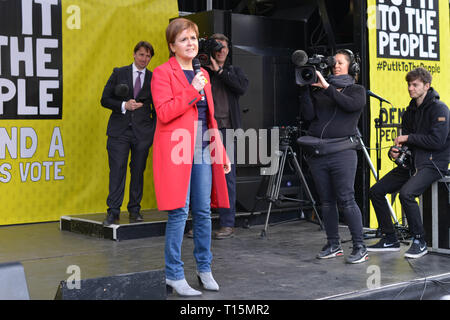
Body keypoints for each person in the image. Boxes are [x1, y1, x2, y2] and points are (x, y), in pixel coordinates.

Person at [151, 18, 231, 296]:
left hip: (202, 149)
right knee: (179, 212)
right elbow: (164, 112)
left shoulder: (204, 74)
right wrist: (191, 89)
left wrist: (219, 149)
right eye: (184, 39)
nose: (191, 44)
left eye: (194, 39)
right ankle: (174, 274)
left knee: (203, 212)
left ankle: (204, 268)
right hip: (176, 149)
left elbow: (209, 116)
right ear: (172, 46)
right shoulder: (162, 73)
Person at [368, 67, 450, 259]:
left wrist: (409, 138)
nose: (410, 88)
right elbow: (408, 144)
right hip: (412, 164)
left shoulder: (440, 109)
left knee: (406, 194)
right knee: (376, 191)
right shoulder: (409, 111)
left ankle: (420, 240)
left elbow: (437, 142)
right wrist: (395, 153)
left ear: (426, 86)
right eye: (409, 84)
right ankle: (390, 239)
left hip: (434, 164)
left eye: (415, 85)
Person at [299, 49, 368, 264]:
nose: (336, 66)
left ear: (351, 67)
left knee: (346, 200)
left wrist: (328, 88)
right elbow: (309, 116)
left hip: (343, 153)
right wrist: (305, 91)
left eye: (341, 63)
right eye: (334, 63)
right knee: (326, 202)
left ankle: (360, 247)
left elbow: (350, 105)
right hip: (320, 153)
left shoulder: (357, 90)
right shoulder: (321, 90)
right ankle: (333, 244)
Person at [188, 33, 248, 239]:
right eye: (217, 47)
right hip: (203, 129)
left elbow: (241, 88)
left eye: (224, 47)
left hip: (227, 129)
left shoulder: (233, 70)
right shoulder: (202, 71)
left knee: (227, 177)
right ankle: (200, 224)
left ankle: (227, 223)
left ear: (229, 50)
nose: (221, 50)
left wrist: (220, 71)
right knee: (199, 178)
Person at [100, 41, 156, 226]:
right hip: (119, 131)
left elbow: (157, 106)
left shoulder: (153, 77)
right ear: (134, 54)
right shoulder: (119, 73)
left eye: (148, 56)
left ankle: (135, 209)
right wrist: (124, 105)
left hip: (142, 133)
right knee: (117, 170)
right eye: (141, 55)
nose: (144, 59)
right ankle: (113, 211)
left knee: (138, 171)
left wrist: (152, 129)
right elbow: (105, 99)